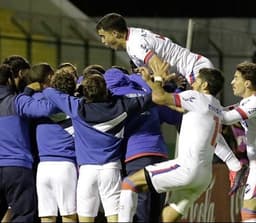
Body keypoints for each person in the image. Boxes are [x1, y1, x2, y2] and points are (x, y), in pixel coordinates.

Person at [96, 12, 242, 184]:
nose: (103, 41)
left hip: (197, 71)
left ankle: (233, 163)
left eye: (103, 36)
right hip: (191, 70)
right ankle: (229, 160)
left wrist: (159, 79)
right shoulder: (133, 36)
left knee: (205, 118)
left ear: (115, 33)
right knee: (203, 118)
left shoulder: (134, 44)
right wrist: (167, 77)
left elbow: (161, 69)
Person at [39, 71, 154, 223]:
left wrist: (78, 89)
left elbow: (48, 91)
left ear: (85, 92)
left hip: (87, 172)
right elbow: (152, 96)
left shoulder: (76, 107)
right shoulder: (122, 106)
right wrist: (138, 79)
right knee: (115, 217)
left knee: (86, 218)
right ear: (106, 90)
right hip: (111, 170)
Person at [117, 63, 225, 222]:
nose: (193, 84)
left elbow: (159, 97)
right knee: (166, 218)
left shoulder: (196, 97)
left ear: (205, 85)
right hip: (204, 175)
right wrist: (153, 82)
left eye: (197, 81)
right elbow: (169, 104)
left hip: (186, 168)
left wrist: (155, 79)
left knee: (129, 183)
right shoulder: (216, 107)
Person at [104, 67, 182, 223]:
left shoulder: (115, 100)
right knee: (155, 209)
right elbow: (174, 116)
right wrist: (174, 88)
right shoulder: (148, 94)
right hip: (159, 154)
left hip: (135, 156)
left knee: (140, 210)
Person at [0, 63, 57, 223]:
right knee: (23, 215)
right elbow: (47, 109)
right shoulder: (17, 102)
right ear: (10, 81)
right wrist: (31, 91)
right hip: (17, 168)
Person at [28, 63, 78, 223]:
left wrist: (27, 90)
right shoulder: (75, 103)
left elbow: (22, 103)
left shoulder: (36, 100)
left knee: (47, 217)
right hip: (66, 165)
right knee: (69, 215)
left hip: (43, 167)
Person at [221, 61, 256, 222]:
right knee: (249, 213)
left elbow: (225, 118)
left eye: (236, 78)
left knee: (248, 214)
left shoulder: (254, 103)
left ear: (247, 83)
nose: (232, 82)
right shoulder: (245, 103)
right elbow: (221, 111)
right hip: (253, 164)